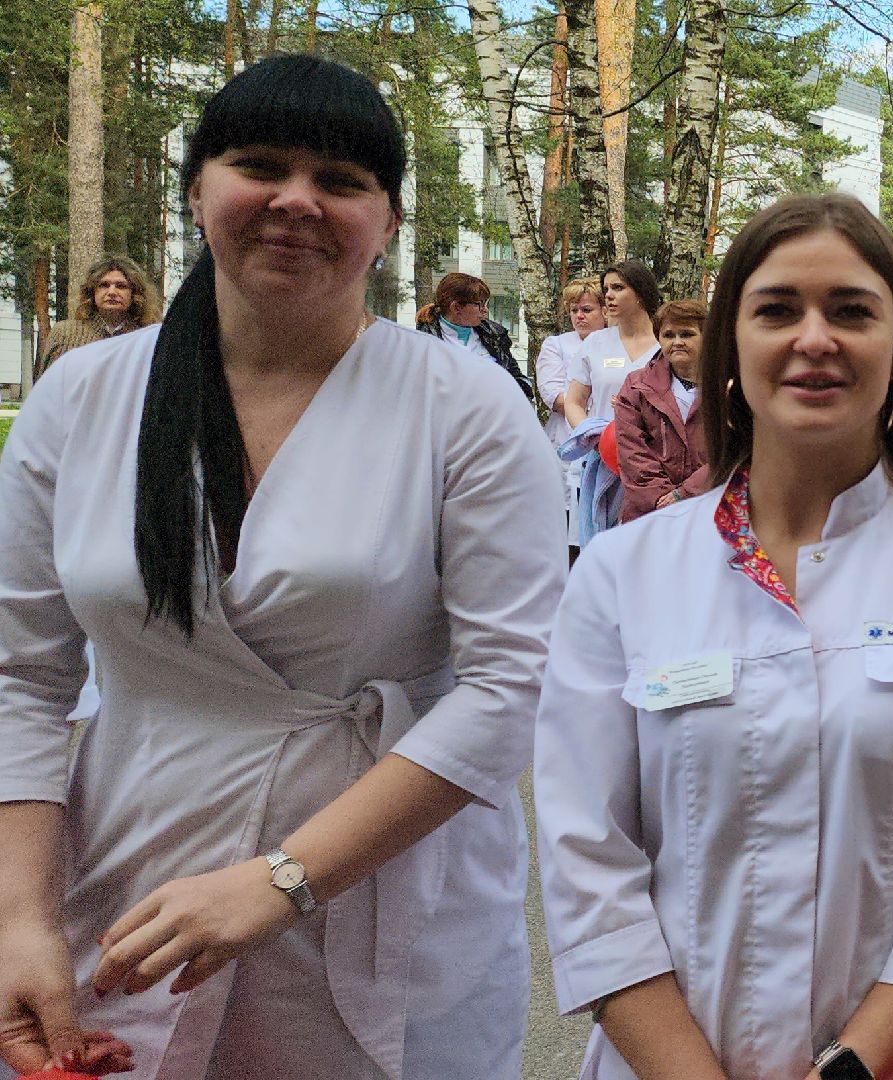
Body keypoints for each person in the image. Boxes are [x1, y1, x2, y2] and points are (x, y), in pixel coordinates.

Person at [0, 54, 565, 1079]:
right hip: (125, 869)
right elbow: (21, 677)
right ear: (196, 189)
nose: (296, 201)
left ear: (387, 222)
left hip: (374, 888)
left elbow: (507, 686)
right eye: (259, 164)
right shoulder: (83, 398)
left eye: (341, 181)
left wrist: (281, 881)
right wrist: (19, 918)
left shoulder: (464, 408)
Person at [535, 193, 893, 1080]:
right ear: (732, 344)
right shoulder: (624, 572)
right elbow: (587, 856)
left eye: (852, 311)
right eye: (777, 309)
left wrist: (850, 1066)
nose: (815, 337)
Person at [611, 299, 710, 522]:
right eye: (668, 335)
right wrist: (662, 499)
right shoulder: (636, 385)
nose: (677, 342)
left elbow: (734, 450)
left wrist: (686, 493)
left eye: (686, 334)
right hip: (649, 513)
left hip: (712, 509)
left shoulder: (731, 385)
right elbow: (631, 450)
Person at [416, 271, 537, 401]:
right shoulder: (423, 342)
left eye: (485, 304)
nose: (485, 310)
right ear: (456, 307)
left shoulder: (494, 334)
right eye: (479, 304)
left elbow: (519, 380)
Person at [569, 261, 662, 427]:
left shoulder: (665, 343)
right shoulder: (595, 342)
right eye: (606, 289)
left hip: (655, 449)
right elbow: (574, 402)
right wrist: (590, 434)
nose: (608, 295)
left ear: (641, 293)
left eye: (618, 288)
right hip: (602, 447)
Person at [37, 256, 162, 377]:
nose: (112, 292)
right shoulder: (65, 334)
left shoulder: (147, 340)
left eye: (121, 286)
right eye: (104, 285)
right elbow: (45, 389)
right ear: (92, 291)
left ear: (134, 293)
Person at [538, 280, 607, 447]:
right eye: (574, 310)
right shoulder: (555, 345)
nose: (579, 316)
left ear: (605, 311)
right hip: (566, 437)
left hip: (611, 436)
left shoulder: (619, 344)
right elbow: (553, 395)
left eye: (587, 310)